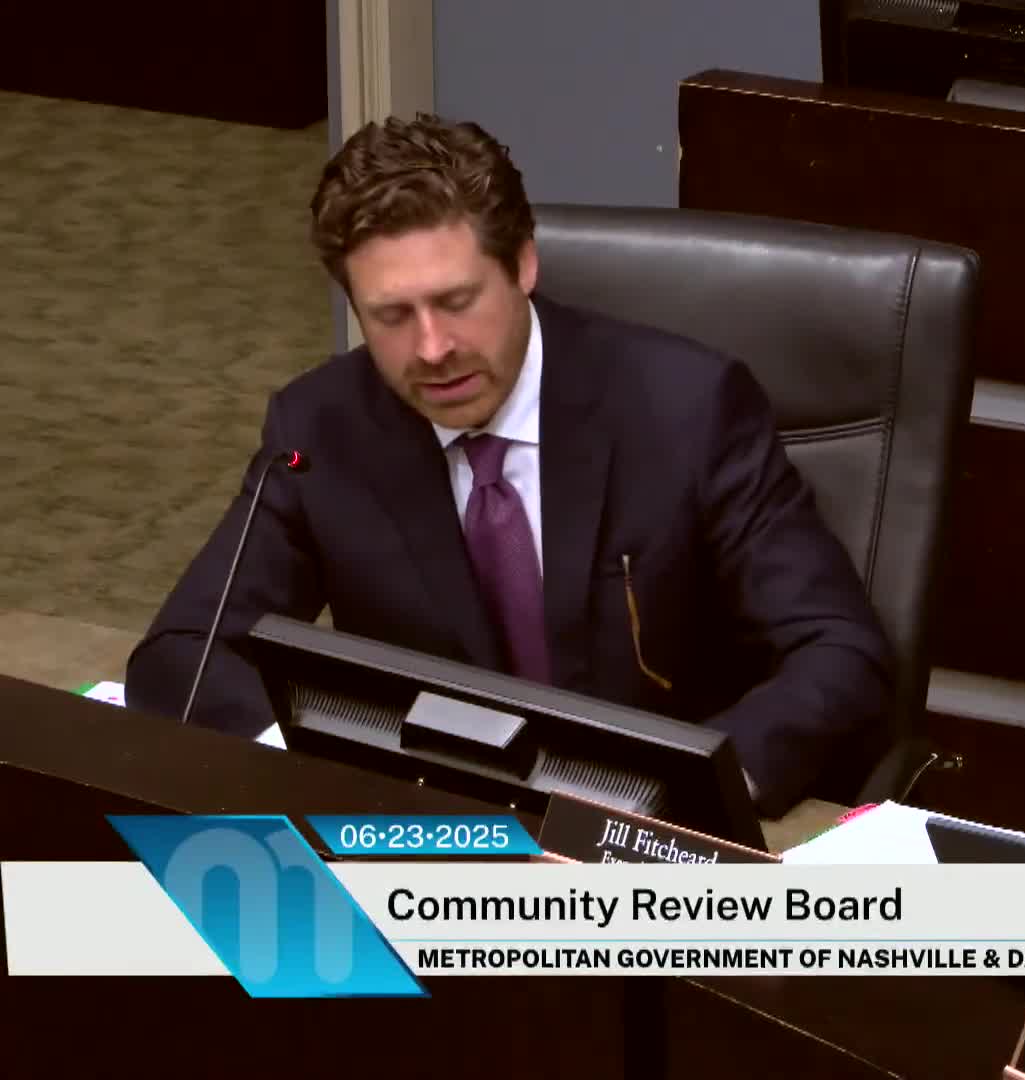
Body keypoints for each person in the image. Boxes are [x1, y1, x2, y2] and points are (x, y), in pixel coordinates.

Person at [125, 115, 893, 817]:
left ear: (524, 263)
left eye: (457, 301)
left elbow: (839, 651)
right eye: (392, 316)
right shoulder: (320, 429)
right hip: (431, 833)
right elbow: (181, 652)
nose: (432, 349)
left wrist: (695, 800)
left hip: (644, 847)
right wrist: (312, 775)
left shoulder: (688, 409)